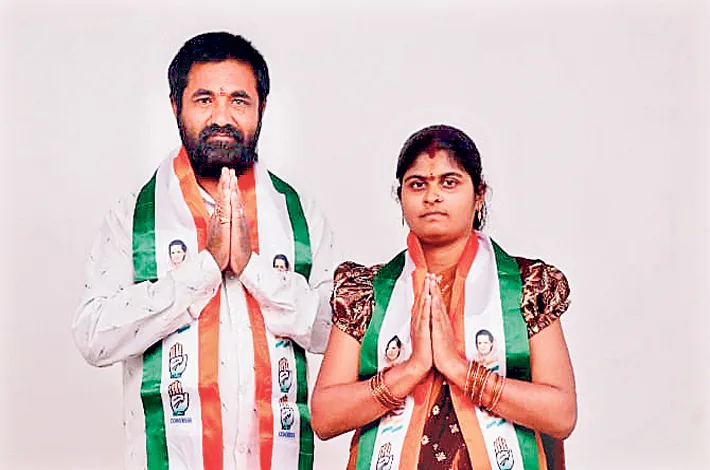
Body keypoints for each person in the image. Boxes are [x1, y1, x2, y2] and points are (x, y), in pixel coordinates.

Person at [72, 32, 339, 470]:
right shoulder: (134, 215)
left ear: (262, 107)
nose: (221, 117)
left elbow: (334, 334)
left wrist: (252, 269)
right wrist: (203, 269)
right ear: (175, 106)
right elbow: (93, 338)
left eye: (239, 100)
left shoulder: (298, 214)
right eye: (204, 100)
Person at [311, 125, 576, 469]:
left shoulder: (526, 286)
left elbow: (561, 415)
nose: (432, 196)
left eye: (449, 183)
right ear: (400, 196)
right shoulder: (367, 292)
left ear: (479, 195)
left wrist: (458, 369)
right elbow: (325, 417)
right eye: (417, 184)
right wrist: (412, 369)